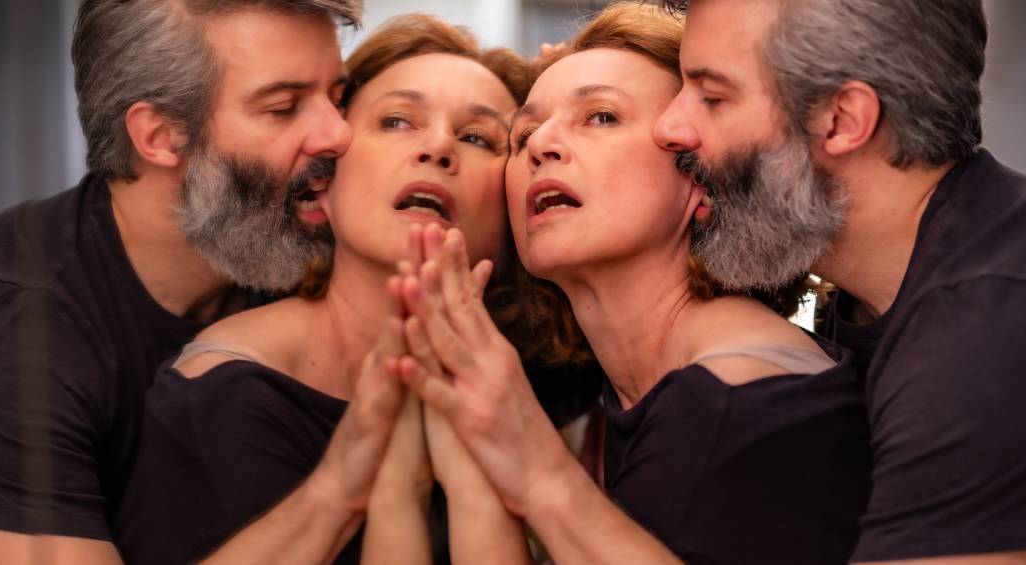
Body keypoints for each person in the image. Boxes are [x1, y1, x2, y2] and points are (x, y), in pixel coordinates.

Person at [392, 4, 871, 564]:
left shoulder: (739, 405)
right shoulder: (646, 387)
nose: (542, 143)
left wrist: (536, 469)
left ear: (703, 176)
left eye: (601, 117)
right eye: (522, 134)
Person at [112, 14, 559, 564]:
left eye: (476, 138)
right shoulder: (228, 396)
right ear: (324, 181)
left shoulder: (538, 370)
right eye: (397, 121)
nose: (439, 146)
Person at [0, 1, 363, 563]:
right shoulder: (8, 331)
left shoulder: (291, 242)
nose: (338, 133)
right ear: (161, 135)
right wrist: (341, 489)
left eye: (338, 97)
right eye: (283, 108)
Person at [653, 0, 1026, 562]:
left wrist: (546, 483)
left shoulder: (983, 330)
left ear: (842, 120)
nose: (668, 127)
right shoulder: (868, 295)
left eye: (712, 96)